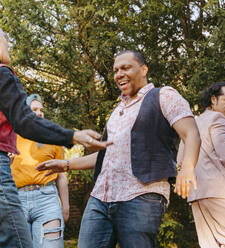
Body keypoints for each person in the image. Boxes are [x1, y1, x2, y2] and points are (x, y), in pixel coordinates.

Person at [37, 50, 201, 248]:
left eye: (126, 68)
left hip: (141, 196)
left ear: (144, 69)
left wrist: (187, 168)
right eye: (115, 70)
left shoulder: (163, 96)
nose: (119, 74)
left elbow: (191, 133)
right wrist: (66, 164)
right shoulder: (118, 111)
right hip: (100, 199)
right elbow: (106, 155)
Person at [0, 28, 110, 247]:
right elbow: (26, 121)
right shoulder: (3, 74)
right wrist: (73, 135)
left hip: (46, 198)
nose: (9, 45)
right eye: (5, 39)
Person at [177, 82, 225, 247]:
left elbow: (180, 161)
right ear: (213, 99)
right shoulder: (217, 118)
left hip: (198, 196)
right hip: (220, 193)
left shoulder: (193, 123)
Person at [10, 94, 69, 247]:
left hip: (47, 199)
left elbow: (61, 176)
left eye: (41, 109)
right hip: (16, 200)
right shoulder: (10, 137)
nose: (40, 112)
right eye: (34, 109)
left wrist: (66, 206)